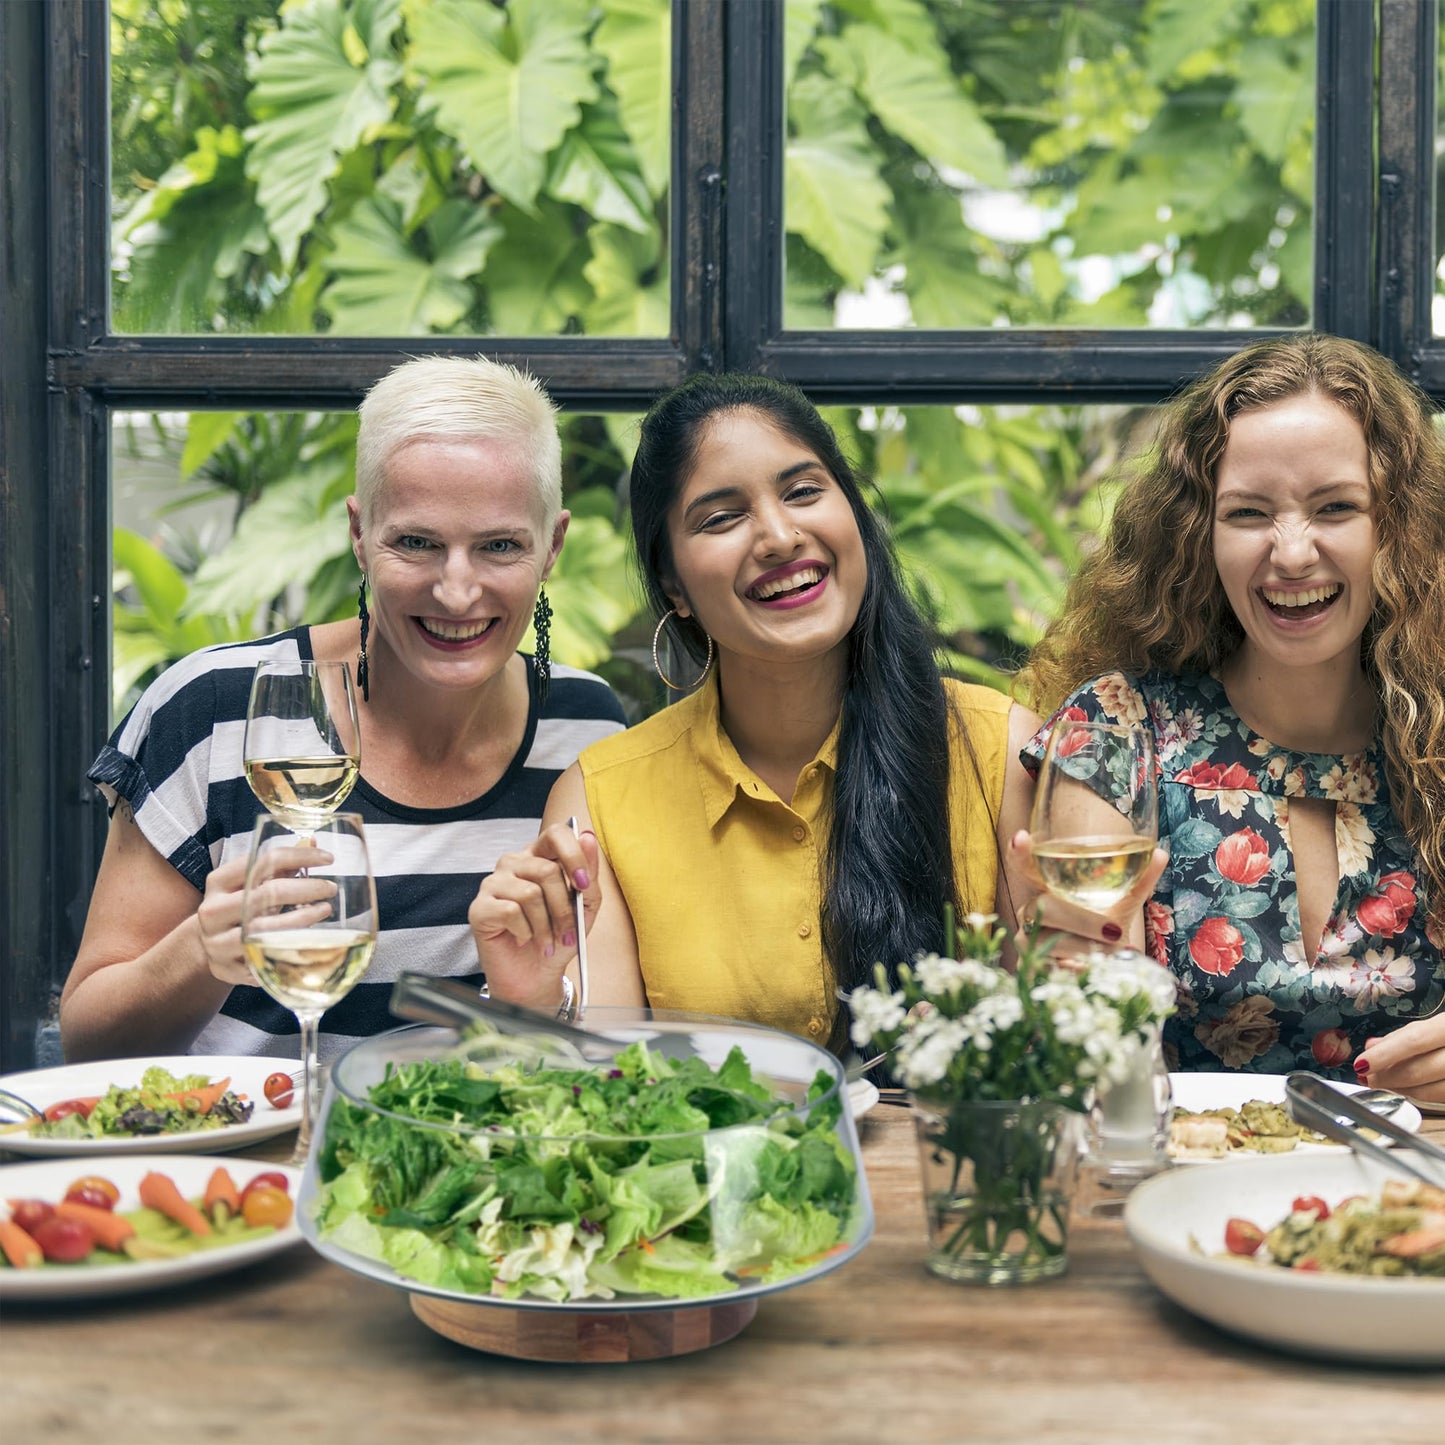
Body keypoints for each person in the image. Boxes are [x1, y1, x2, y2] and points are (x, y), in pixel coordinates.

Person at [62, 356, 627, 1061]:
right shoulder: (211, 708)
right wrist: (200, 954)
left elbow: (583, 1056)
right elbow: (86, 1043)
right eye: (415, 542)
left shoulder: (589, 728)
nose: (456, 591)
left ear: (553, 547)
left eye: (500, 545)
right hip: (236, 1163)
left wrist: (530, 1001)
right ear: (359, 535)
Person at [469, 371, 1044, 1051]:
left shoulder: (997, 750)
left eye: (803, 492)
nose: (776, 536)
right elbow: (606, 1084)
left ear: (854, 516)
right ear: (673, 585)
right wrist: (535, 999)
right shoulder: (603, 798)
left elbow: (1051, 1061)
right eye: (721, 517)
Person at [1021, 333, 1445, 1099]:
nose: (1290, 553)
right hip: (1183, 1186)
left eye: (1335, 507)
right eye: (1248, 512)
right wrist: (1061, 990)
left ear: (1398, 528)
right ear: (1198, 535)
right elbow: (1074, 1026)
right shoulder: (1117, 727)